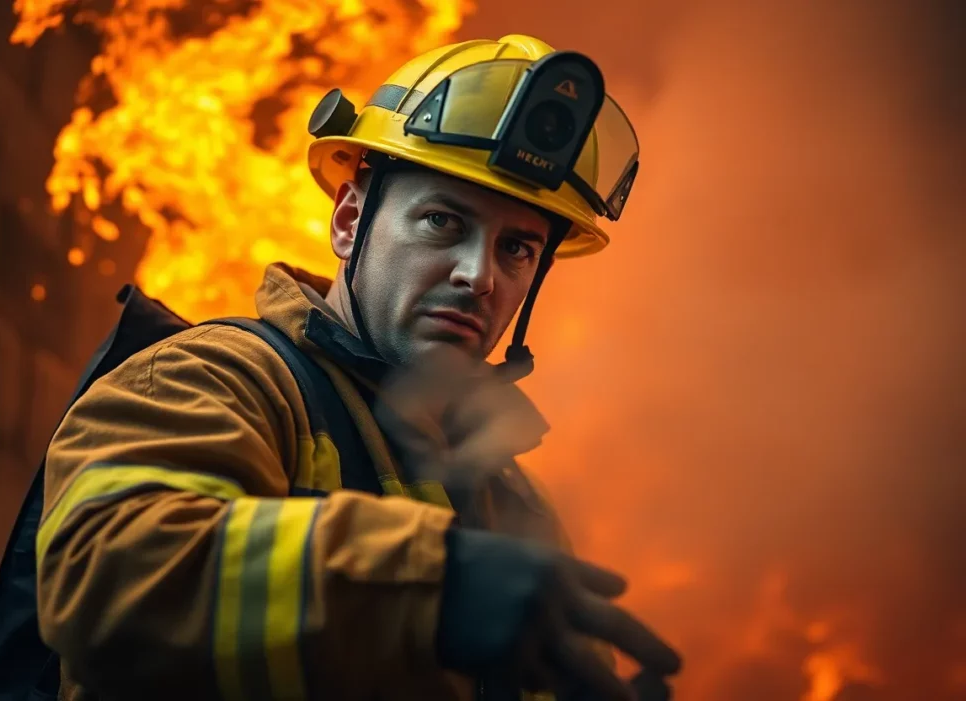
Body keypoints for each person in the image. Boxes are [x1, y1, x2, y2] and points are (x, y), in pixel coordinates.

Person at [36, 33, 681, 701]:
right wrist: (432, 590)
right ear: (349, 221)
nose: (479, 275)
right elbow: (104, 578)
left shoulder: (514, 503)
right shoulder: (218, 378)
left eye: (516, 248)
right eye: (441, 221)